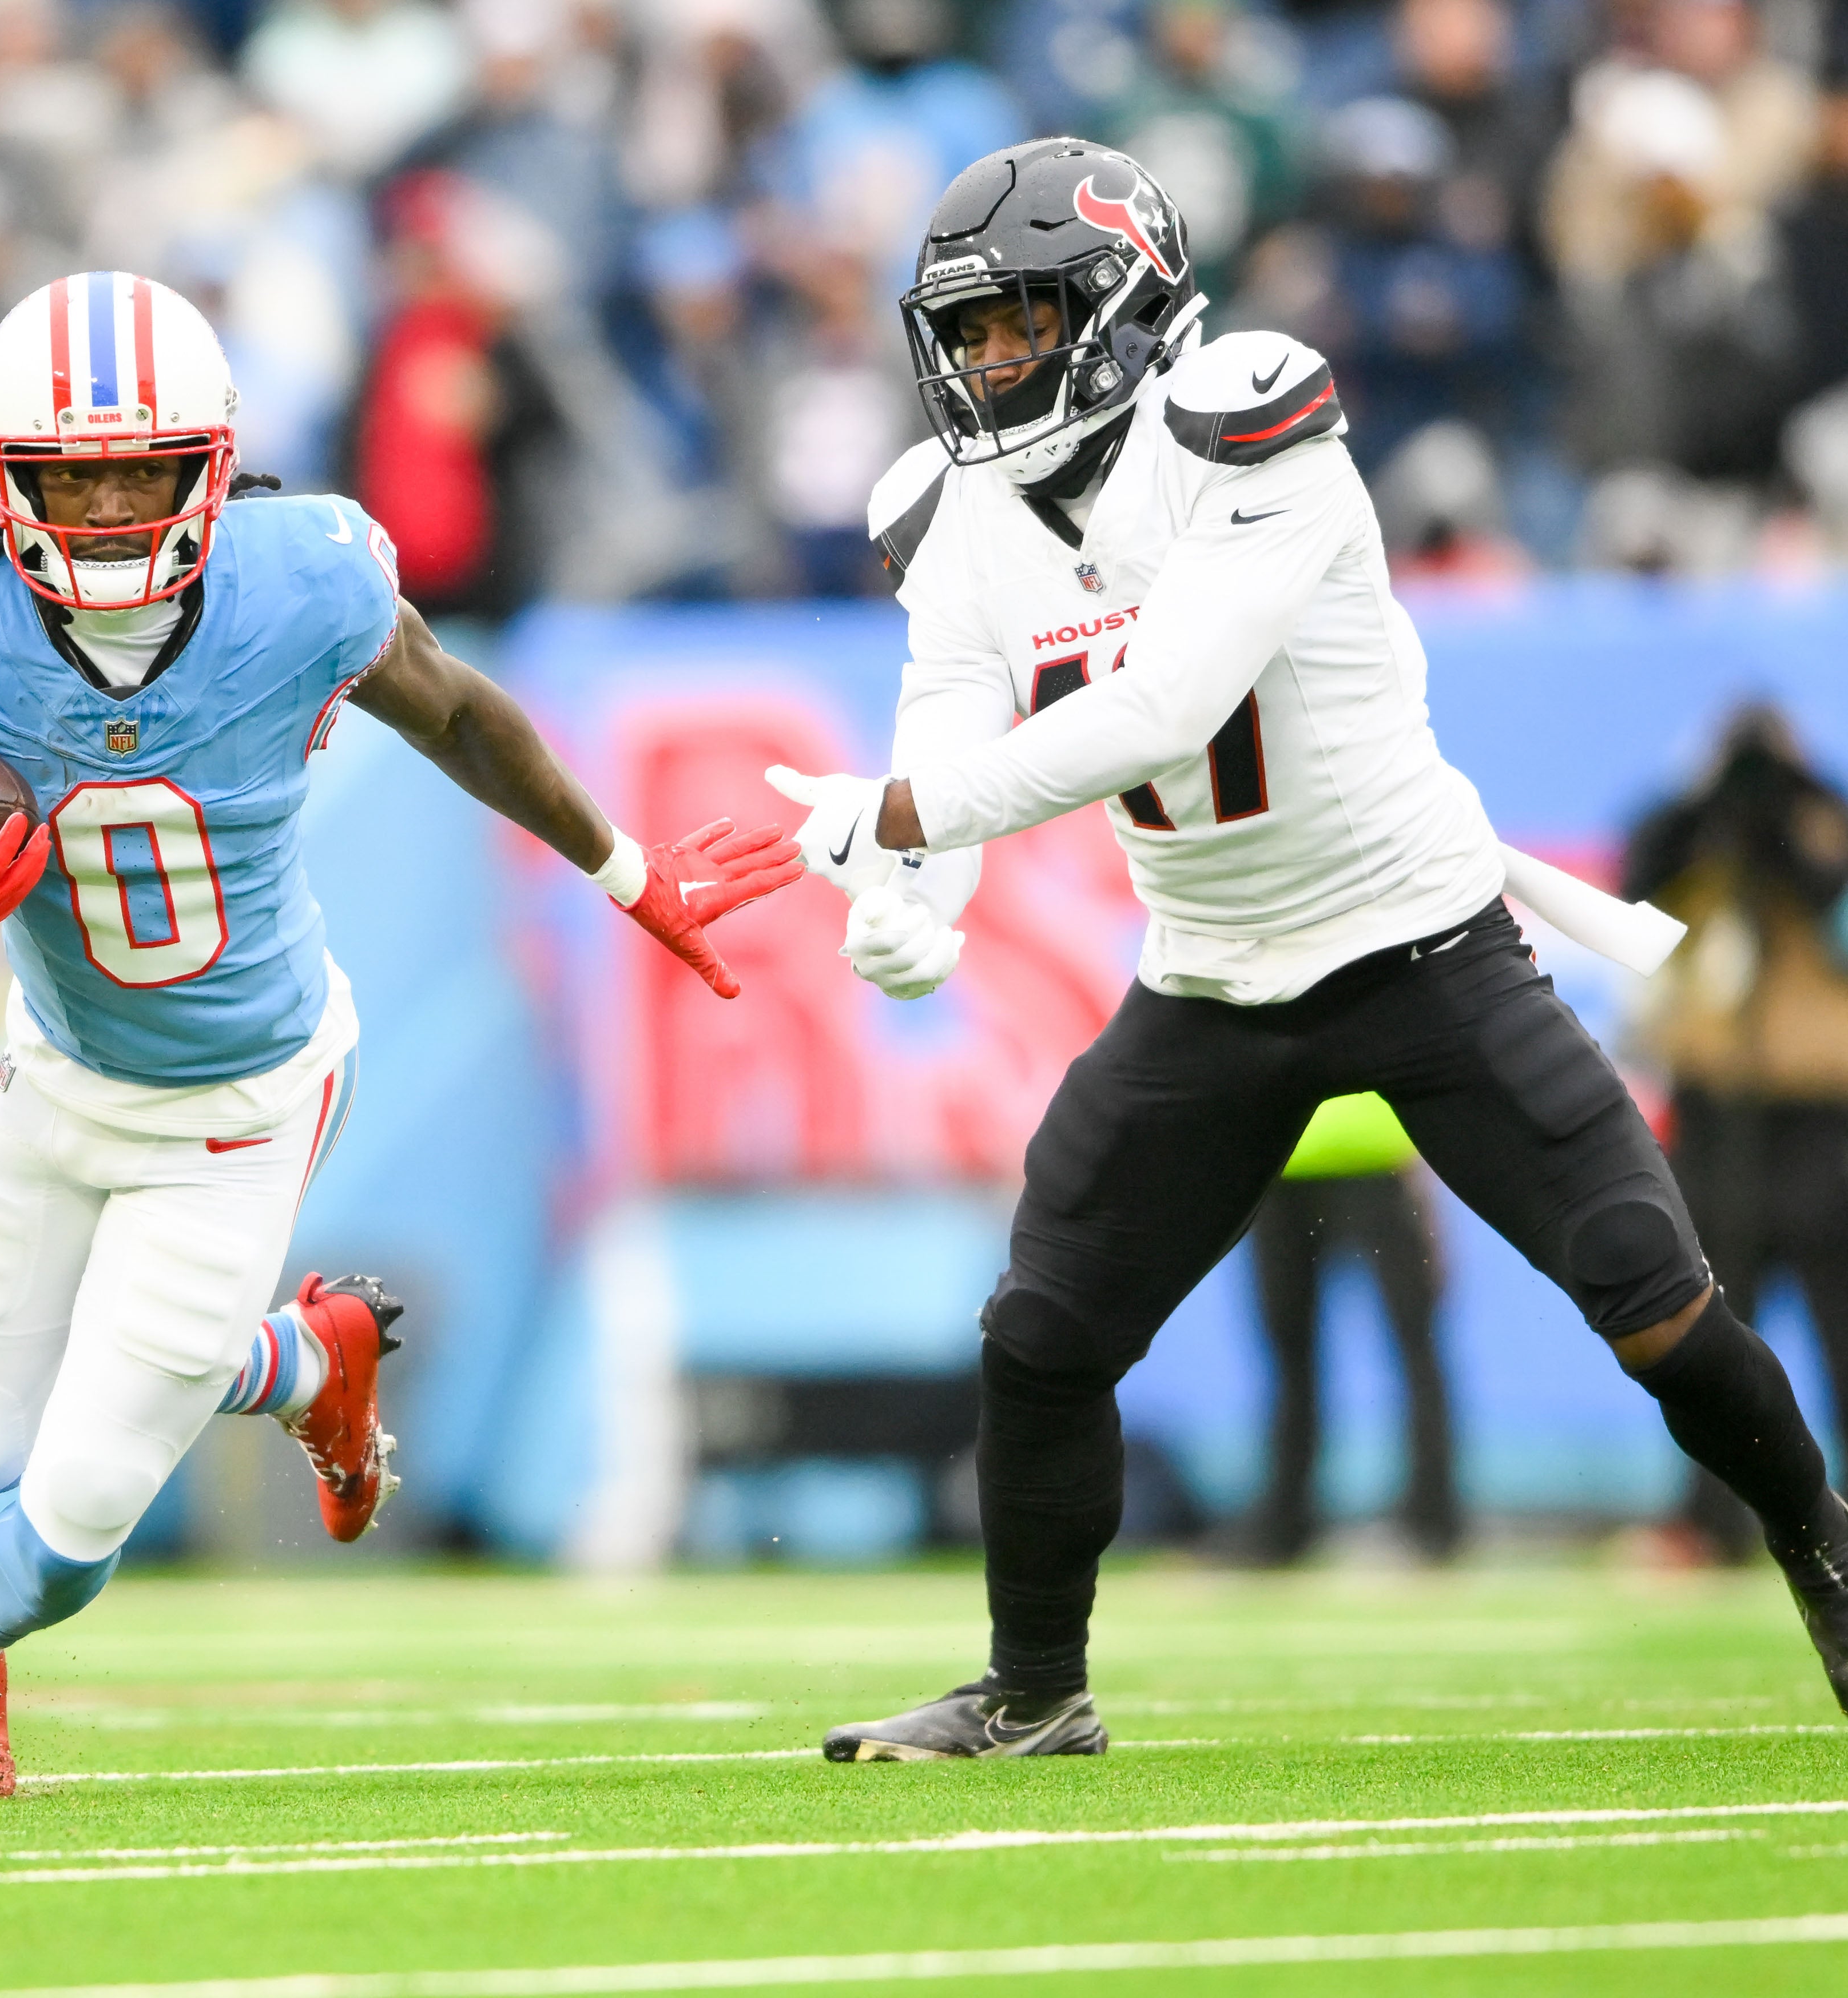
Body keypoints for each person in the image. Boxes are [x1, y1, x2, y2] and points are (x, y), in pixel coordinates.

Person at [765, 138, 1848, 1761]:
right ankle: (1034, 1688)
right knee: (1042, 1332)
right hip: (1209, 973)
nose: (992, 361)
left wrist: (908, 811)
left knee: (1656, 1303)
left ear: (1128, 304)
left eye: (1025, 320)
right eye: (970, 332)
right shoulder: (959, 511)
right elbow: (953, 722)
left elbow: (1159, 707)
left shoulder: (1246, 423)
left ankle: (1823, 1553)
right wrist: (919, 896)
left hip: (1420, 944)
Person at [0, 270, 800, 1801]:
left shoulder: (310, 585)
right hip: (52, 1071)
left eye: (136, 470)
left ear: (214, 469)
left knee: (81, 1516)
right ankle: (297, 1361)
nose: (99, 508)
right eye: (65, 472)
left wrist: (629, 865)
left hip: (244, 1095)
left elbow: (464, 711)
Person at [1624, 704, 1848, 1563]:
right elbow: (1636, 882)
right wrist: (1706, 801)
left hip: (1814, 1112)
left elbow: (1827, 898)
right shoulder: (1694, 837)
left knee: (1840, 1331)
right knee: (1711, 1334)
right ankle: (1708, 1520)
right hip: (1716, 1110)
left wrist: (1794, 804)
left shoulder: (1821, 822)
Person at [1231, 1090, 1461, 1566]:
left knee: (1416, 1344)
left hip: (1378, 1163)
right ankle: (1285, 1524)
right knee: (1289, 1353)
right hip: (1279, 1168)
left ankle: (1433, 1522)